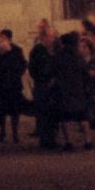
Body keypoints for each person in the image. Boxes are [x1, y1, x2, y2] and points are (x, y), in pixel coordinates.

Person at [0, 28, 27, 145]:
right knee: (1, 110)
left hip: (14, 85)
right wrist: (0, 54)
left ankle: (15, 132)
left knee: (15, 110)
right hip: (1, 85)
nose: (2, 40)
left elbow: (22, 65)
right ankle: (2, 131)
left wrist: (9, 54)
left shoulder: (16, 50)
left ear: (9, 39)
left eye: (4, 38)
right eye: (1, 37)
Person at [52, 30, 91, 150]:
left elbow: (53, 71)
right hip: (78, 90)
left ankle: (68, 142)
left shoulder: (58, 56)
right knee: (82, 117)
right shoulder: (78, 57)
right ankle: (87, 141)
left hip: (64, 90)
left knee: (65, 117)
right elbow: (85, 73)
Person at [28, 19, 61, 151]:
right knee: (44, 114)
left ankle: (50, 138)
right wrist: (46, 78)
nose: (53, 40)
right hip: (43, 86)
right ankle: (47, 140)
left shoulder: (49, 50)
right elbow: (35, 69)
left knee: (50, 114)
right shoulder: (38, 51)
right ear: (44, 37)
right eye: (51, 37)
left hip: (48, 86)